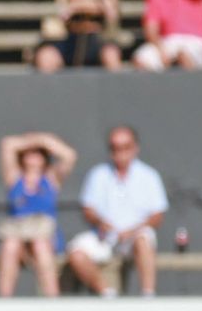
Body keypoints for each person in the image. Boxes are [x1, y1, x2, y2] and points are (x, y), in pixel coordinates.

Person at [65, 125, 167, 297]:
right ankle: (107, 294)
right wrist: (101, 223)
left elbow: (157, 216)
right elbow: (88, 210)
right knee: (76, 253)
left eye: (125, 147)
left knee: (144, 239)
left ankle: (148, 296)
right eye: (115, 147)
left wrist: (132, 231)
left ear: (135, 148)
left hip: (135, 237)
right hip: (105, 238)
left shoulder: (149, 176)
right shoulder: (97, 175)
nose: (120, 152)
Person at [0, 132, 77, 298]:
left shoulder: (51, 179)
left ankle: (52, 299)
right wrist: (32, 141)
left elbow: (69, 156)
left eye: (38, 152)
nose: (33, 155)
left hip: (44, 237)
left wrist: (42, 140)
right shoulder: (14, 178)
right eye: (29, 151)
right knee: (10, 245)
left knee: (40, 244)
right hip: (19, 236)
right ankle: (4, 301)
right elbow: (7, 144)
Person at [33, 0, 122, 73]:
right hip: (71, 39)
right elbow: (66, 9)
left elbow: (110, 12)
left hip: (98, 41)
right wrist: (97, 4)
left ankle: (115, 90)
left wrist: (80, 5)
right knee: (45, 56)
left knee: (111, 55)